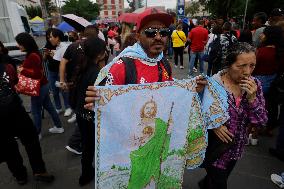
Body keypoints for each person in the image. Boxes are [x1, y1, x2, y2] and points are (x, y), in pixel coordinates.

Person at [199, 42, 267, 189]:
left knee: (220, 176)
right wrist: (213, 123)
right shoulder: (212, 85)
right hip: (214, 148)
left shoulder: (255, 86)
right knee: (219, 183)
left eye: (252, 66)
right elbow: (195, 115)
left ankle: (204, 183)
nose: (247, 72)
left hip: (236, 147)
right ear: (229, 64)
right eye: (241, 66)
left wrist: (252, 99)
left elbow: (261, 122)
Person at [0, 51, 54, 185]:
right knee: (30, 140)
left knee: (8, 147)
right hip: (14, 109)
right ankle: (39, 170)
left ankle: (20, 176)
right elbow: (14, 80)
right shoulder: (6, 66)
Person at [68, 37, 107, 186]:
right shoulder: (97, 73)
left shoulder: (81, 67)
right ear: (100, 54)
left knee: (87, 145)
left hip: (80, 113)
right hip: (92, 117)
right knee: (95, 145)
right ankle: (94, 173)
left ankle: (85, 174)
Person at [15, 32, 63, 138]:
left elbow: (36, 74)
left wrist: (22, 70)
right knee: (49, 107)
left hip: (39, 87)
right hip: (43, 85)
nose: (18, 45)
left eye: (19, 43)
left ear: (25, 43)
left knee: (36, 111)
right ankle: (59, 127)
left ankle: (37, 133)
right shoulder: (34, 54)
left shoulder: (32, 55)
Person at [128, 98, 173, 188]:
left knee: (151, 182)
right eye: (147, 108)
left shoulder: (160, 123)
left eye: (152, 108)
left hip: (154, 156)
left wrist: (170, 125)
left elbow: (166, 135)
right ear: (143, 109)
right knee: (137, 179)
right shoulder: (138, 124)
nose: (149, 110)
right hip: (140, 156)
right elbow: (133, 141)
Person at [49, 28, 73, 118]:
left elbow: (58, 64)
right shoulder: (61, 46)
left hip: (66, 74)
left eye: (51, 37)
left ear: (57, 38)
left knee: (67, 92)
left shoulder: (62, 48)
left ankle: (71, 110)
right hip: (65, 74)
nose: (49, 39)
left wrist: (53, 56)